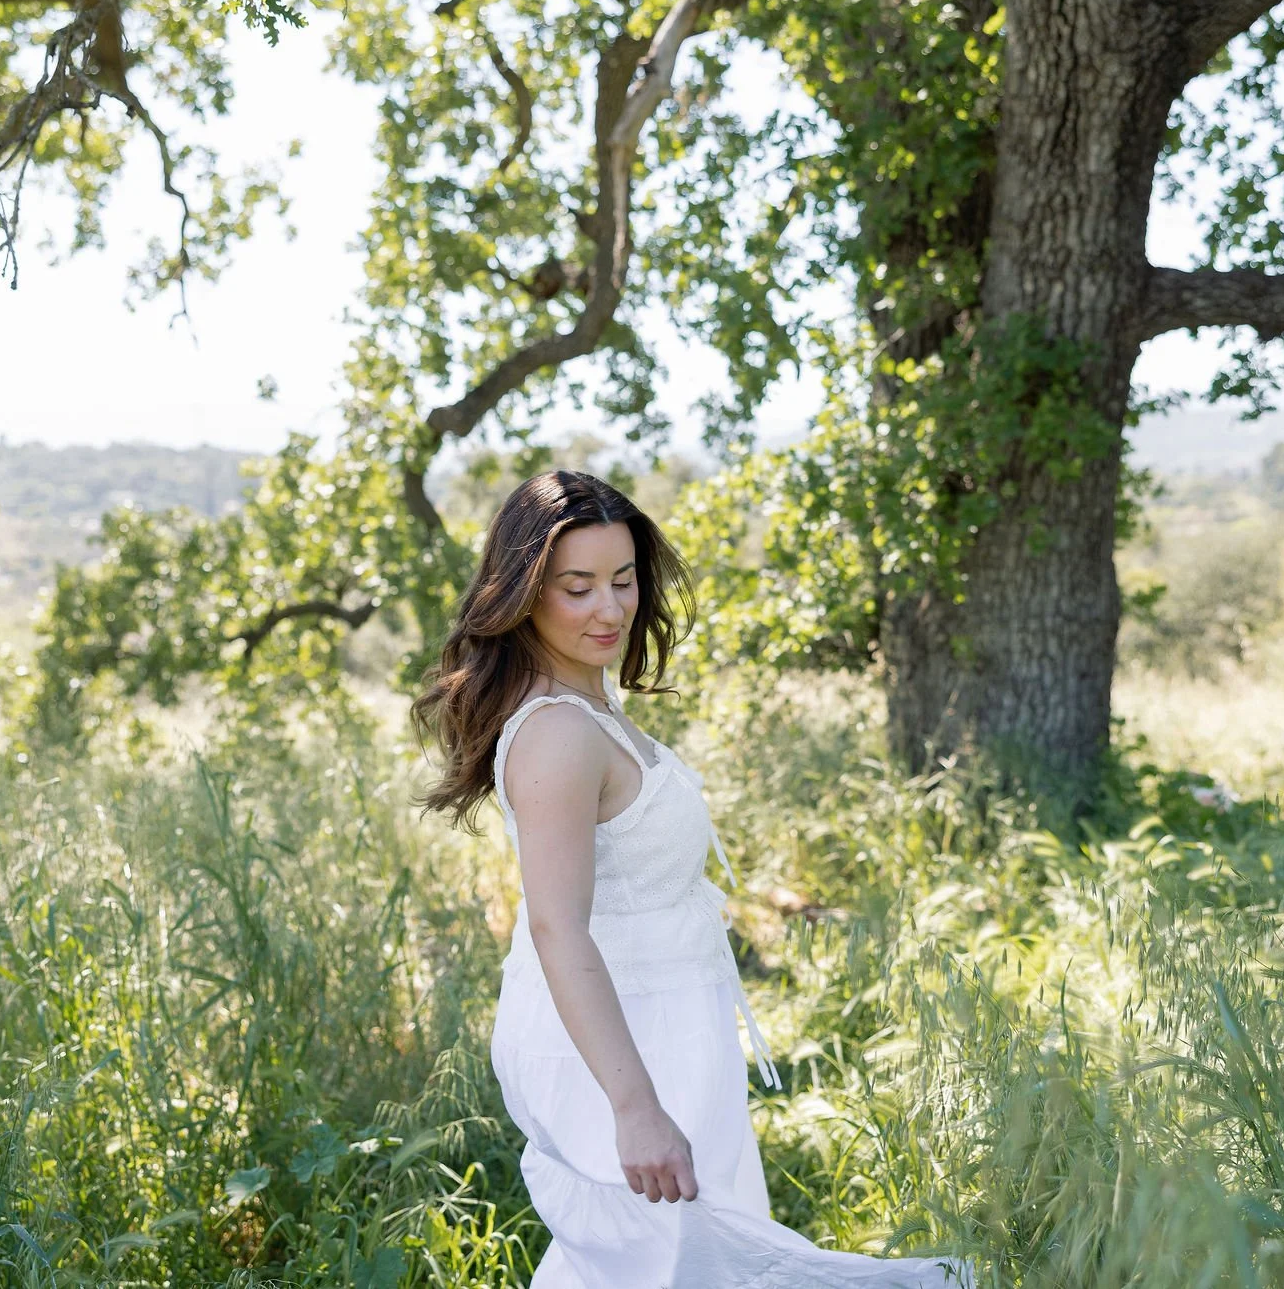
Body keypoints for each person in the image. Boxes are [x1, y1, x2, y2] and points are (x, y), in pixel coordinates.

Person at [412, 469, 972, 1288]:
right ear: (524, 593)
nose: (610, 608)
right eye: (577, 587)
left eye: (623, 579)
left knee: (675, 1262)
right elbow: (556, 926)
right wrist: (635, 1107)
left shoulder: (591, 703)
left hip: (667, 1022)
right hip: (620, 1043)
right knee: (663, 1263)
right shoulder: (558, 733)